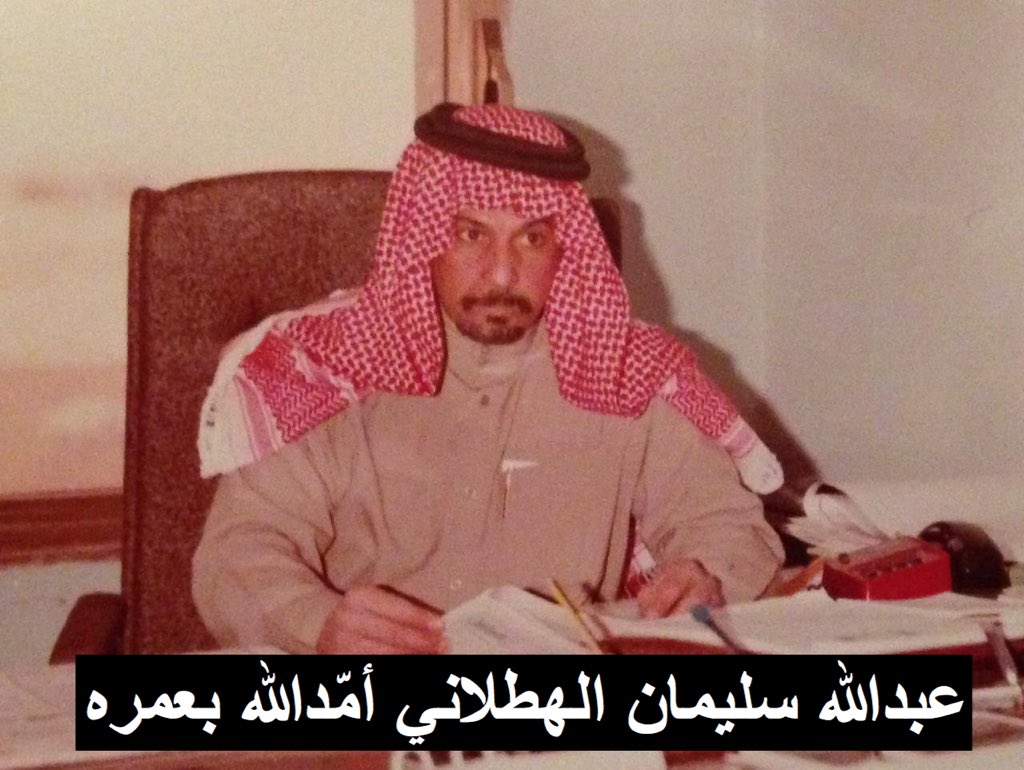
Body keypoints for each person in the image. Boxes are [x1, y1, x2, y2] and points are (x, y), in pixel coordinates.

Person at [192, 103, 784, 655]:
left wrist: (703, 575)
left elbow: (727, 527)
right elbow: (238, 553)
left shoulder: (630, 373)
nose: (502, 273)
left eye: (532, 238)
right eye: (471, 234)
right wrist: (316, 620)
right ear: (425, 238)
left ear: (565, 248)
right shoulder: (323, 367)